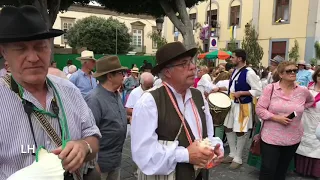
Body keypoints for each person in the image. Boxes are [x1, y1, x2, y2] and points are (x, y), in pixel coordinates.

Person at [0, 5, 101, 180]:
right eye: (20, 49)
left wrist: (84, 147)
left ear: (49, 49)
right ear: (4, 53)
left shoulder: (69, 90)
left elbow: (93, 137)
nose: (33, 58)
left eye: (40, 47)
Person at [131, 42, 224, 180]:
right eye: (184, 64)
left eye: (191, 62)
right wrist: (186, 154)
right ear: (167, 71)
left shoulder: (198, 96)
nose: (193, 67)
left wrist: (215, 146)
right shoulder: (149, 101)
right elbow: (144, 154)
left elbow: (208, 134)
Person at [255, 61, 314, 180]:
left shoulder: (302, 90)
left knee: (282, 171)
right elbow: (260, 109)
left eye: (295, 70)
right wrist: (276, 118)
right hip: (271, 137)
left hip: (293, 138)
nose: (293, 73)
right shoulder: (270, 89)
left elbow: (310, 101)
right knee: (268, 170)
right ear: (281, 74)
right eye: (289, 71)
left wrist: (298, 111)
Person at [85, 56, 128, 180]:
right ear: (110, 76)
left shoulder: (116, 94)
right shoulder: (94, 99)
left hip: (115, 160)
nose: (123, 76)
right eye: (120, 73)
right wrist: (94, 163)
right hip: (100, 164)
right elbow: (88, 133)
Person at [219, 49, 262, 169]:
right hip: (232, 103)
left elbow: (258, 90)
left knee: (240, 130)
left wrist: (242, 93)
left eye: (233, 57)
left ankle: (238, 157)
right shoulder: (235, 71)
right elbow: (232, 86)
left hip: (243, 105)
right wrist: (220, 89)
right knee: (228, 128)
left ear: (240, 58)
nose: (231, 59)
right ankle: (232, 153)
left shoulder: (249, 73)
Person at [295, 68, 320, 178]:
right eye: (319, 75)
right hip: (304, 119)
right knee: (302, 142)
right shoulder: (308, 87)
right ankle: (300, 168)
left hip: (317, 121)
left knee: (316, 144)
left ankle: (314, 171)